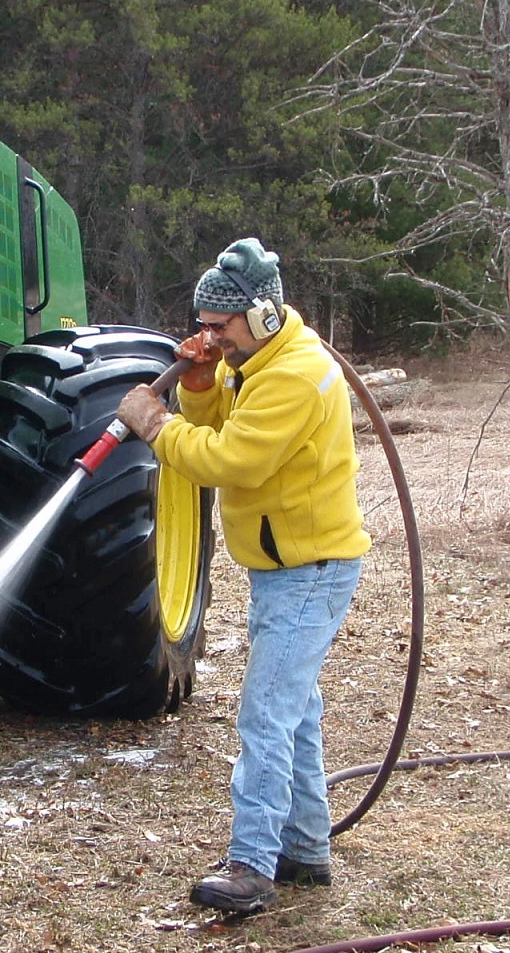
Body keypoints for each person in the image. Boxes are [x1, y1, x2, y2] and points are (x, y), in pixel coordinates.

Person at [114, 238, 370, 917]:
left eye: (218, 327)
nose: (208, 337)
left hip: (310, 572)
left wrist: (158, 426)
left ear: (259, 316)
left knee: (265, 715)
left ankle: (253, 865)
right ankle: (307, 852)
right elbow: (223, 419)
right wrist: (197, 388)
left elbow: (232, 460)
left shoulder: (294, 375)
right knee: (296, 712)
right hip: (282, 569)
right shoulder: (256, 360)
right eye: (202, 326)